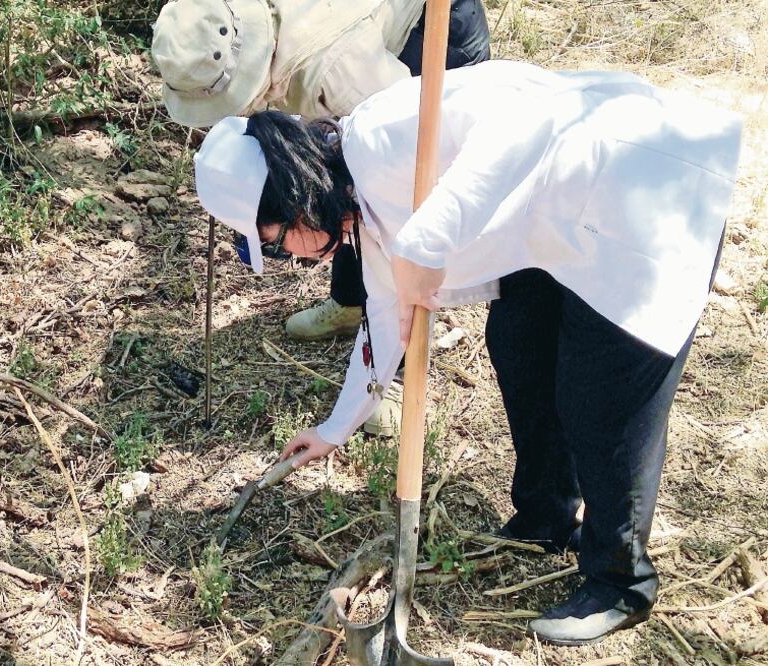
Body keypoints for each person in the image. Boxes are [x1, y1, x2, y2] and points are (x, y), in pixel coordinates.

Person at [191, 59, 742, 645]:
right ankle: (545, 517)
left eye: (277, 246)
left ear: (296, 198)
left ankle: (619, 581)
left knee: (600, 400)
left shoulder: (383, 137)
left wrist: (433, 232)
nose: (293, 260)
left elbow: (532, 116)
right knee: (517, 346)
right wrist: (334, 428)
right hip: (554, 234)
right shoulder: (359, 211)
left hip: (635, 194)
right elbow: (385, 319)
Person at [151, 0, 490, 435]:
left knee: (367, 209)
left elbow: (408, 180)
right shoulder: (231, 29)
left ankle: (399, 373)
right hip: (356, 52)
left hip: (430, 31)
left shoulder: (341, 73)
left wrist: (405, 276)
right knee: (332, 189)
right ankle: (351, 303)